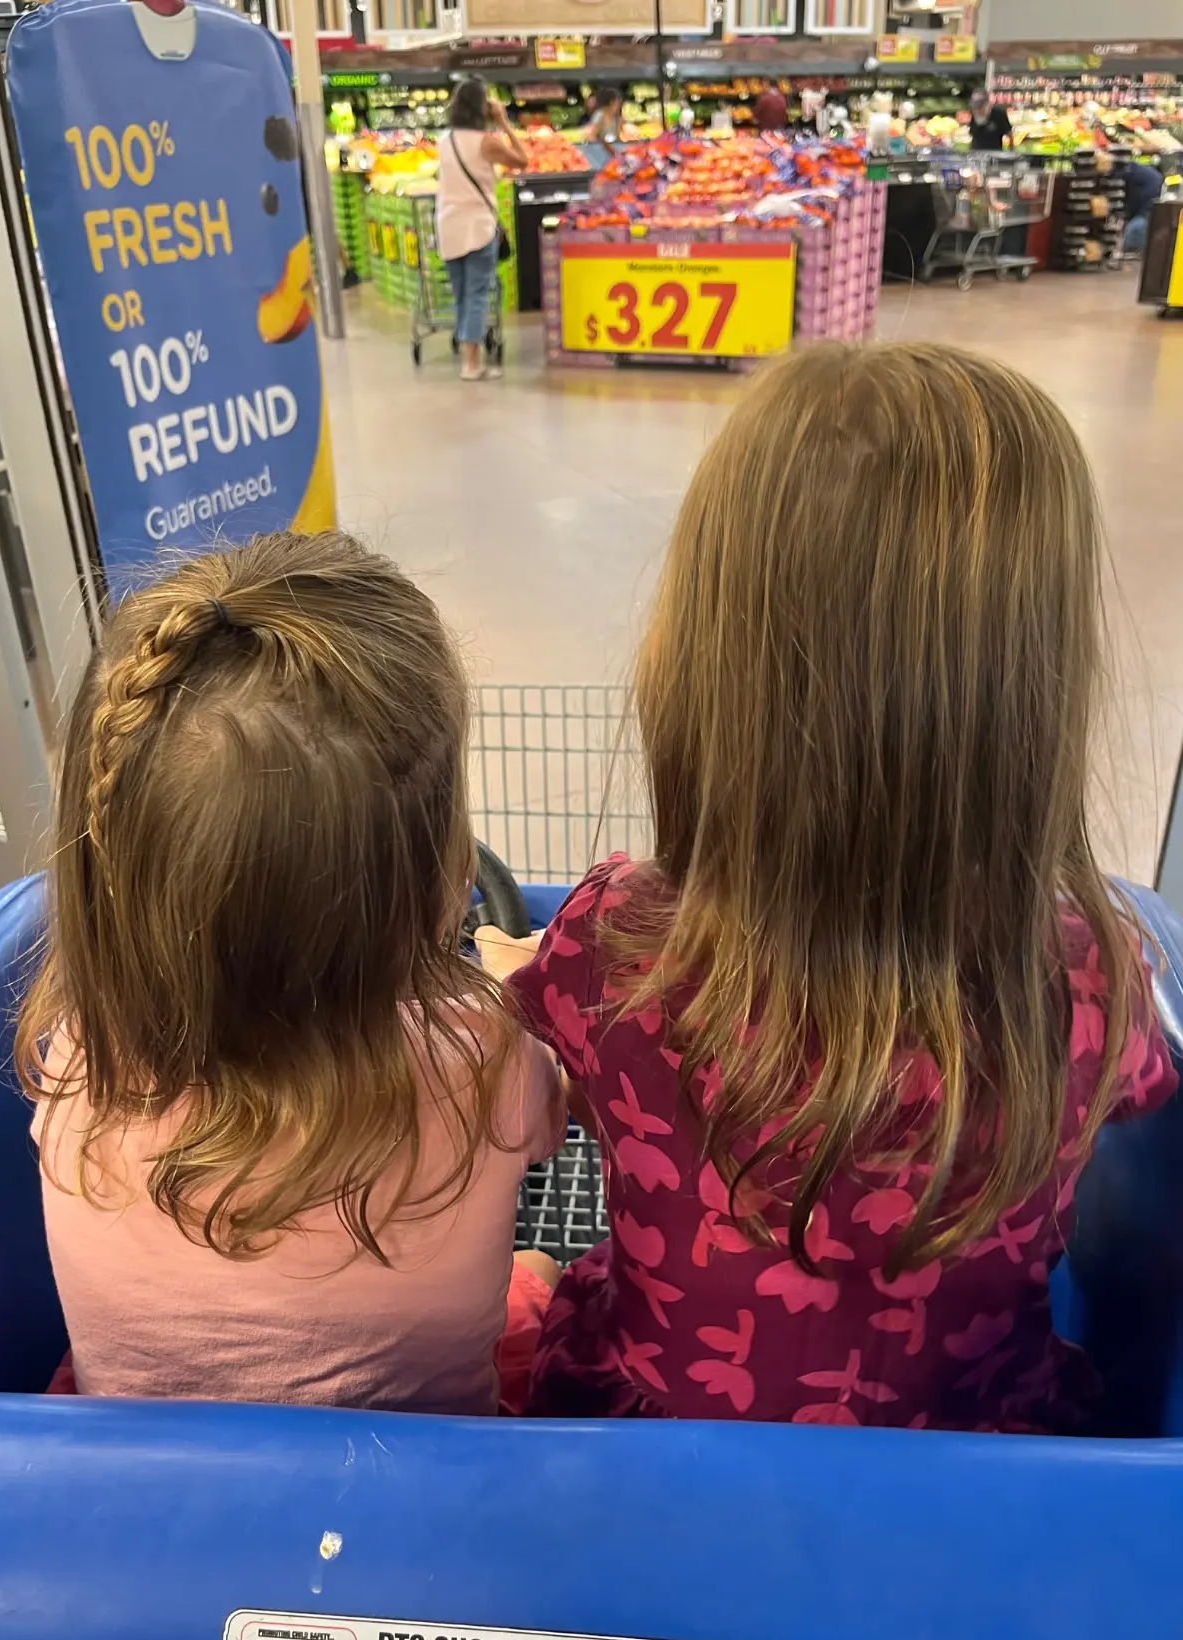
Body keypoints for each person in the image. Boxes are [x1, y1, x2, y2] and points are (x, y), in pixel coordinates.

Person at [482, 341, 1177, 1431]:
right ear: (1035, 693)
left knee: (522, 1277)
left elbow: (557, 1071)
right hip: (978, 1461)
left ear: (706, 661)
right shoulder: (1092, 981)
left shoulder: (610, 946)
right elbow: (1140, 1089)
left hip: (660, 1453)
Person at [19, 531, 565, 1413]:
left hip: (140, 1488)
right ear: (430, 884)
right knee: (537, 1271)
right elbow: (550, 1114)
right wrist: (517, 995)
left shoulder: (80, 1064)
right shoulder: (485, 1065)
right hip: (412, 1486)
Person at [436, 78, 527, 382]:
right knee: (477, 295)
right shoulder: (486, 142)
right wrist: (503, 121)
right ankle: (471, 364)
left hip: (447, 226)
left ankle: (467, 353)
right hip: (477, 227)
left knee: (462, 294)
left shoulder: (443, 140)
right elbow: (522, 160)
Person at [1123, 157, 1164, 257]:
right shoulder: (1137, 170)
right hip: (1151, 208)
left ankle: (1133, 253)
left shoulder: (1126, 171)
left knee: (1136, 229)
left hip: (1146, 211)